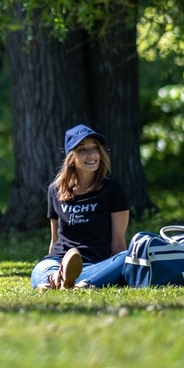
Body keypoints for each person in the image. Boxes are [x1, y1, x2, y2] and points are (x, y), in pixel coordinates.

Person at [31, 124, 130, 290]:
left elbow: (118, 242)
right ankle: (60, 278)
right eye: (83, 150)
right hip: (56, 261)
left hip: (93, 264)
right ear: (71, 157)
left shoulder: (113, 190)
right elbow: (54, 240)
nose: (91, 155)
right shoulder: (55, 190)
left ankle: (60, 282)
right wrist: (54, 266)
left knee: (127, 257)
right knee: (40, 269)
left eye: (95, 148)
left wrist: (121, 267)